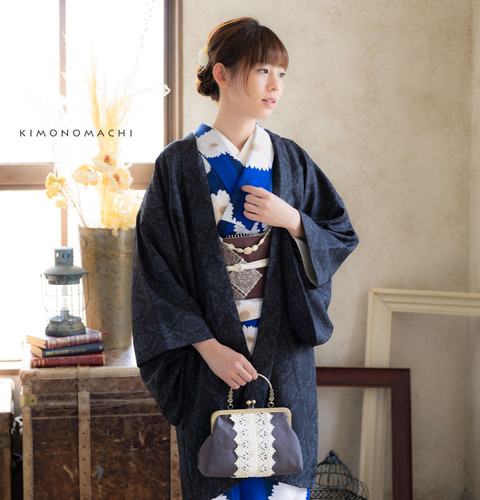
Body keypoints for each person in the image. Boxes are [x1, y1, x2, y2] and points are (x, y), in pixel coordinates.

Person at [131, 16, 359, 500]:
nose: (276, 86)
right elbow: (156, 273)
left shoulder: (290, 160)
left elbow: (340, 233)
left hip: (282, 354)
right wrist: (209, 349)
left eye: (282, 74)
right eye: (262, 71)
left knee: (284, 482)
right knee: (219, 479)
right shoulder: (177, 166)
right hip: (211, 360)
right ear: (222, 73)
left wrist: (292, 220)